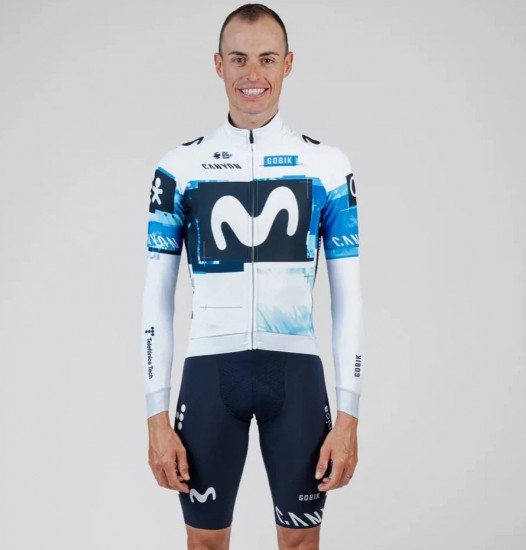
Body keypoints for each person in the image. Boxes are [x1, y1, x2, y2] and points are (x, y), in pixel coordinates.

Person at [140, 4, 365, 549]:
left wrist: (350, 414)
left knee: (300, 543)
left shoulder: (328, 167)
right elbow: (156, 298)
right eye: (239, 59)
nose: (253, 74)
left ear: (288, 64)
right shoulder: (179, 169)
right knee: (205, 544)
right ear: (218, 65)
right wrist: (155, 416)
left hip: (297, 377)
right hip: (209, 376)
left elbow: (349, 299)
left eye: (267, 58)